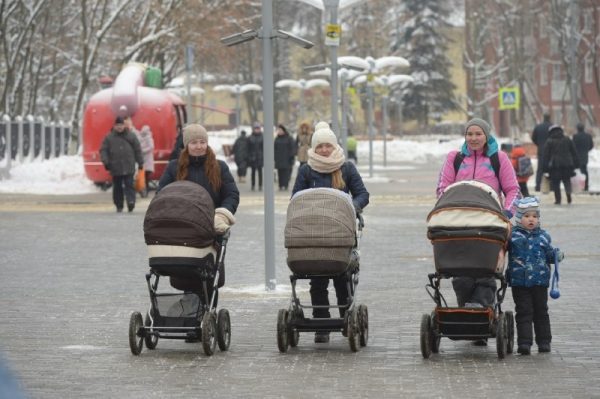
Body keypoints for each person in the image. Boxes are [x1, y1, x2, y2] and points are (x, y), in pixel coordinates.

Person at [436, 118, 520, 345]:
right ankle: (469, 316)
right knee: (461, 273)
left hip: (489, 222)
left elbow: (512, 189)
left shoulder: (498, 159)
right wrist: (445, 209)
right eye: (469, 134)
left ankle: (481, 311)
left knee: (485, 271)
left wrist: (507, 213)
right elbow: (443, 188)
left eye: (478, 134)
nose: (473, 138)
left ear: (486, 135)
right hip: (459, 222)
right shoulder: (455, 159)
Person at [291, 121, 369, 344]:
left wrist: (351, 207)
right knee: (317, 278)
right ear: (313, 149)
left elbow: (363, 194)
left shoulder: (346, 168)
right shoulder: (306, 170)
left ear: (334, 146)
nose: (324, 150)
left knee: (342, 276)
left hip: (341, 230)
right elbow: (296, 196)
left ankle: (346, 316)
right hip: (313, 231)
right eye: (320, 147)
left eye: (328, 146)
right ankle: (321, 322)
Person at [157, 124, 240, 309]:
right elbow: (162, 194)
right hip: (183, 230)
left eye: (202, 142)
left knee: (209, 275)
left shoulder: (219, 167)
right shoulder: (174, 168)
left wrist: (222, 214)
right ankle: (191, 316)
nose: (199, 146)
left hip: (211, 228)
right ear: (186, 145)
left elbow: (231, 195)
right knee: (186, 273)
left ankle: (207, 315)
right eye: (194, 142)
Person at [506, 196, 564, 355]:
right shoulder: (512, 237)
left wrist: (556, 256)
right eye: (526, 216)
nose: (531, 219)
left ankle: (544, 341)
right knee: (524, 311)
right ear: (519, 218)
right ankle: (524, 343)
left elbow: (549, 255)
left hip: (540, 281)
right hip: (519, 282)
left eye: (534, 216)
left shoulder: (544, 237)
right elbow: (501, 249)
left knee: (541, 311)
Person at [100, 116, 144, 213]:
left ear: (124, 125)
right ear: (114, 126)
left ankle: (131, 202)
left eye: (121, 125)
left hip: (129, 165)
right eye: (117, 125)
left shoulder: (131, 136)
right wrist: (106, 161)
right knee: (117, 187)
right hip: (115, 166)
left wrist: (140, 162)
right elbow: (103, 150)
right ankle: (119, 205)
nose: (119, 127)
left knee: (129, 185)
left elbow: (138, 150)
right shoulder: (109, 137)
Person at [542, 125, 579, 205]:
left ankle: (558, 199)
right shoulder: (567, 139)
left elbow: (545, 156)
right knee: (567, 181)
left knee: (556, 183)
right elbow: (574, 152)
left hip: (555, 166)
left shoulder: (549, 141)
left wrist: (545, 168)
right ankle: (568, 195)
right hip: (567, 165)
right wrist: (576, 164)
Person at [532, 113, 552, 191]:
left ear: (543, 118)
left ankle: (537, 186)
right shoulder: (552, 127)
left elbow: (533, 138)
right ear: (549, 118)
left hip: (541, 150)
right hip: (551, 151)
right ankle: (552, 186)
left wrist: (539, 144)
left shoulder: (538, 127)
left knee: (540, 169)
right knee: (551, 169)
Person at [572, 122, 594, 191]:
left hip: (577, 156)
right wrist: (586, 150)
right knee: (584, 171)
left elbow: (572, 146)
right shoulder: (588, 136)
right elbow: (591, 146)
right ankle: (586, 185)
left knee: (576, 171)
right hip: (585, 156)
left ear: (577, 129)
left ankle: (576, 185)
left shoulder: (575, 136)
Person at [274, 124, 297, 191]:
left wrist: (292, 156)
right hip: (279, 159)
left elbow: (292, 148)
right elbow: (274, 149)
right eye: (278, 130)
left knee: (286, 173)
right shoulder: (277, 139)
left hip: (287, 159)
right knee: (280, 173)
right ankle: (280, 185)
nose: (279, 131)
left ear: (284, 131)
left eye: (280, 130)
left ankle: (285, 185)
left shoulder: (289, 138)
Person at [137, 125, 155, 193]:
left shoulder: (149, 138)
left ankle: (146, 189)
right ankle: (143, 189)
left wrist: (142, 150)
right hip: (143, 160)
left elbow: (151, 147)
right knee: (143, 176)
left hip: (147, 160)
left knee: (146, 176)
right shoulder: (140, 137)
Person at [247, 122, 264, 191]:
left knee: (260, 172)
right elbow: (248, 148)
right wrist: (249, 157)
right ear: (253, 129)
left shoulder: (263, 137)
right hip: (252, 157)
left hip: (260, 157)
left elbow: (264, 148)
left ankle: (260, 185)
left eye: (258, 128)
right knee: (253, 172)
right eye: (255, 128)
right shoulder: (250, 137)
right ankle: (253, 185)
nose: (257, 130)